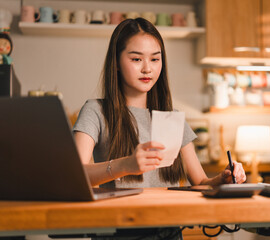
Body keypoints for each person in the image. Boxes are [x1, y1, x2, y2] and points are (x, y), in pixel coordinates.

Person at [73, 18, 246, 240]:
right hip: (117, 231)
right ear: (116, 62)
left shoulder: (172, 117)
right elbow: (76, 176)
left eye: (155, 59)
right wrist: (125, 165)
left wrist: (223, 179)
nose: (147, 68)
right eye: (136, 59)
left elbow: (201, 183)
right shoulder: (96, 110)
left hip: (169, 231)